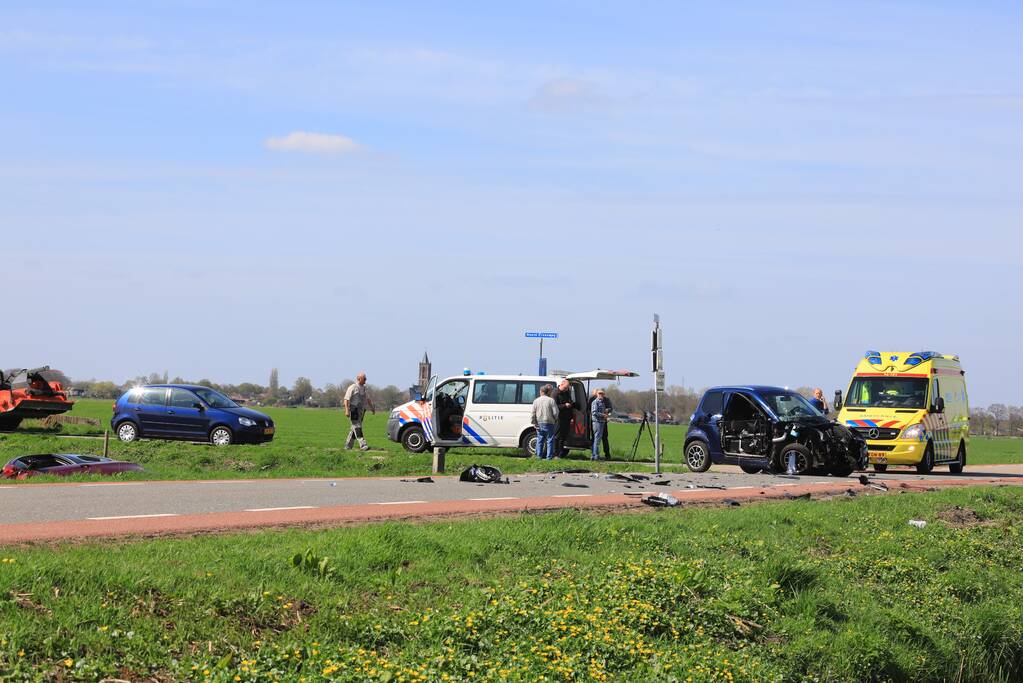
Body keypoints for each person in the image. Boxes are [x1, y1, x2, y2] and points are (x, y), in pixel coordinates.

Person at [343, 372, 376, 451]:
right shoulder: (352, 387)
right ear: (359, 379)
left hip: (361, 411)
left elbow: (368, 399)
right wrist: (347, 410)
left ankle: (348, 446)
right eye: (364, 379)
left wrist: (372, 408)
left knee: (354, 428)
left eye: (365, 379)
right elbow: (346, 400)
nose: (365, 380)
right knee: (357, 427)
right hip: (354, 410)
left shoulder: (364, 388)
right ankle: (363, 445)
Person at [530, 384, 559, 460]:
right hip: (550, 422)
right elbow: (556, 412)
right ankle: (549, 457)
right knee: (550, 440)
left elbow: (533, 413)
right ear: (547, 392)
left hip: (539, 422)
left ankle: (539, 456)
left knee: (540, 440)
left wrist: (534, 422)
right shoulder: (551, 400)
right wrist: (555, 419)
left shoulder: (536, 401)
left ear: (541, 392)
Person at [588, 388, 614, 459]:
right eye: (599, 393)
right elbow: (593, 412)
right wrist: (603, 415)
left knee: (603, 438)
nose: (601, 395)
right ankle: (595, 455)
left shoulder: (605, 400)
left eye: (602, 393)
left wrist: (607, 410)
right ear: (596, 394)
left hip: (603, 422)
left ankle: (605, 455)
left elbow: (610, 408)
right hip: (597, 422)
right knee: (596, 439)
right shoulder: (594, 401)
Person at [555, 378, 577, 457]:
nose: (566, 389)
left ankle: (561, 454)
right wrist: (564, 405)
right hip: (559, 418)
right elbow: (554, 406)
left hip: (567, 418)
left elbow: (570, 401)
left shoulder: (566, 393)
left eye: (567, 388)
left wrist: (571, 405)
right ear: (561, 384)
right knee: (557, 436)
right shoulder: (555, 393)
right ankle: (556, 453)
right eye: (565, 388)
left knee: (564, 436)